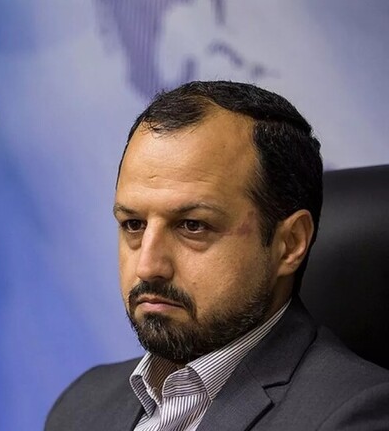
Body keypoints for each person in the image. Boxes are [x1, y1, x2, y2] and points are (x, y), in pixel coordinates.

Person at [45, 81, 389, 430]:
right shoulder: (80, 406)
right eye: (133, 224)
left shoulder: (358, 415)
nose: (147, 267)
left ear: (289, 243)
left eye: (193, 226)